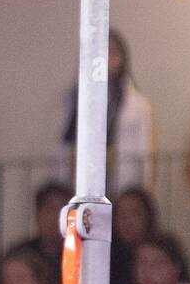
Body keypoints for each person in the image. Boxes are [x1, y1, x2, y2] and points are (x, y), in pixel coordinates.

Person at [59, 28, 156, 194]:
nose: (107, 58)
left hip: (123, 181)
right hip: (85, 178)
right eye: (101, 52)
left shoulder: (137, 103)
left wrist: (146, 189)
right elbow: (65, 145)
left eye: (112, 52)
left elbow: (145, 153)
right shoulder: (75, 98)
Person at [0, 180, 68, 284]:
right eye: (50, 210)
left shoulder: (82, 256)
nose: (55, 217)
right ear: (38, 214)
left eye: (62, 211)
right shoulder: (18, 254)